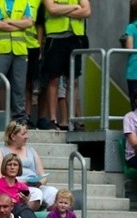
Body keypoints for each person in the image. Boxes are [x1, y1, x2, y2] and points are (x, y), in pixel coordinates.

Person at [38, 0, 91, 131]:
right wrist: (74, 7)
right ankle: (52, 120)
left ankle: (72, 119)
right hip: (55, 37)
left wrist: (62, 9)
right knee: (53, 79)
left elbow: (87, 11)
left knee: (73, 80)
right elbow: (51, 9)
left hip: (75, 37)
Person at [0, 120, 58, 208]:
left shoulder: (32, 151)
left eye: (26, 133)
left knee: (54, 192)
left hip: (34, 185)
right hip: (14, 187)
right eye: (23, 134)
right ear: (13, 136)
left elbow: (43, 175)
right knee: (36, 193)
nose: (26, 137)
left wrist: (39, 183)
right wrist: (23, 183)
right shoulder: (0, 152)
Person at [0, 0, 32, 123]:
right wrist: (19, 24)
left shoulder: (24, 2)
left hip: (19, 49)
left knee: (19, 85)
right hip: (0, 49)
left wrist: (9, 21)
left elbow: (29, 22)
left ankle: (19, 118)